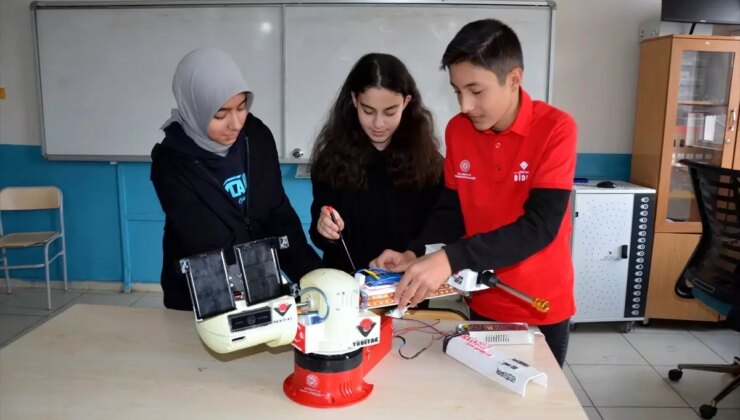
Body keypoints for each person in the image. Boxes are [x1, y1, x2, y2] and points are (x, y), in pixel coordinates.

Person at [371, 19, 577, 366]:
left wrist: (450, 259)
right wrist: (417, 254)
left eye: (476, 91)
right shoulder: (458, 131)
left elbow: (539, 227)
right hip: (481, 301)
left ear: (513, 79)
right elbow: (451, 213)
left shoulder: (556, 129)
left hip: (539, 306)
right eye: (457, 91)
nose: (464, 105)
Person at [151, 47, 321, 311]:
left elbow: (277, 213)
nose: (235, 123)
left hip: (259, 282)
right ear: (194, 107)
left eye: (241, 107)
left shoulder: (256, 137)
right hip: (202, 293)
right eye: (220, 114)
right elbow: (205, 241)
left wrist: (312, 278)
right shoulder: (171, 163)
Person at [309, 53, 454, 279]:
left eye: (389, 112)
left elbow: (441, 229)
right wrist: (325, 229)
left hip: (407, 289)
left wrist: (412, 253)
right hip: (350, 291)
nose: (378, 124)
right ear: (354, 100)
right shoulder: (332, 159)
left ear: (406, 103)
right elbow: (322, 234)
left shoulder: (428, 162)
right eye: (368, 111)